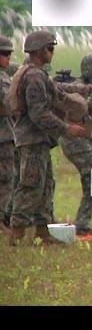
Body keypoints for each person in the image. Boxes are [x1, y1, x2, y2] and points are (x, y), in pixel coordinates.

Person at [8, 31, 92, 246]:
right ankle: (17, 233)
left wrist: (88, 88)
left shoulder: (37, 74)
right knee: (31, 185)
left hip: (39, 139)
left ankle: (43, 230)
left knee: (45, 184)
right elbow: (38, 113)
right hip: (32, 139)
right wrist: (66, 128)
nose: (52, 53)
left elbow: (58, 89)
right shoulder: (33, 77)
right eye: (50, 48)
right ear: (41, 50)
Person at [58, 53, 92, 235]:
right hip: (76, 141)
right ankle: (81, 225)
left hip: (79, 141)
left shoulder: (81, 86)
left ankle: (86, 223)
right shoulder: (85, 90)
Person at [0, 36, 15, 235]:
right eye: (4, 54)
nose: (8, 58)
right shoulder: (2, 79)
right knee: (5, 179)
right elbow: (7, 103)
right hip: (2, 137)